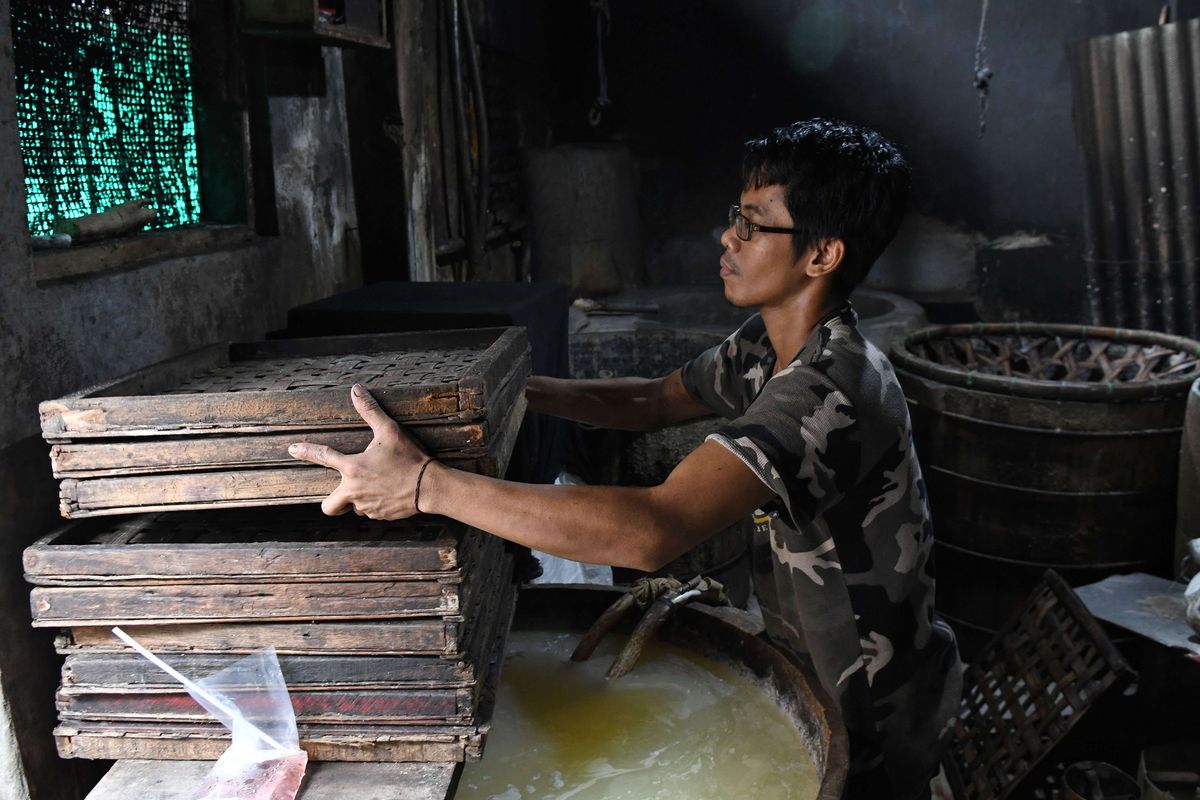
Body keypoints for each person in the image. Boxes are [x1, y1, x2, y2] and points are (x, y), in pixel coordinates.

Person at [289, 118, 961, 800]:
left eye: (754, 225)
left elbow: (650, 530)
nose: (727, 237)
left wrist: (424, 485)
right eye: (736, 216)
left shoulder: (828, 390)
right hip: (814, 665)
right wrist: (504, 390)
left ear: (822, 256)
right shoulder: (771, 343)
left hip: (870, 716)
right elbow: (652, 399)